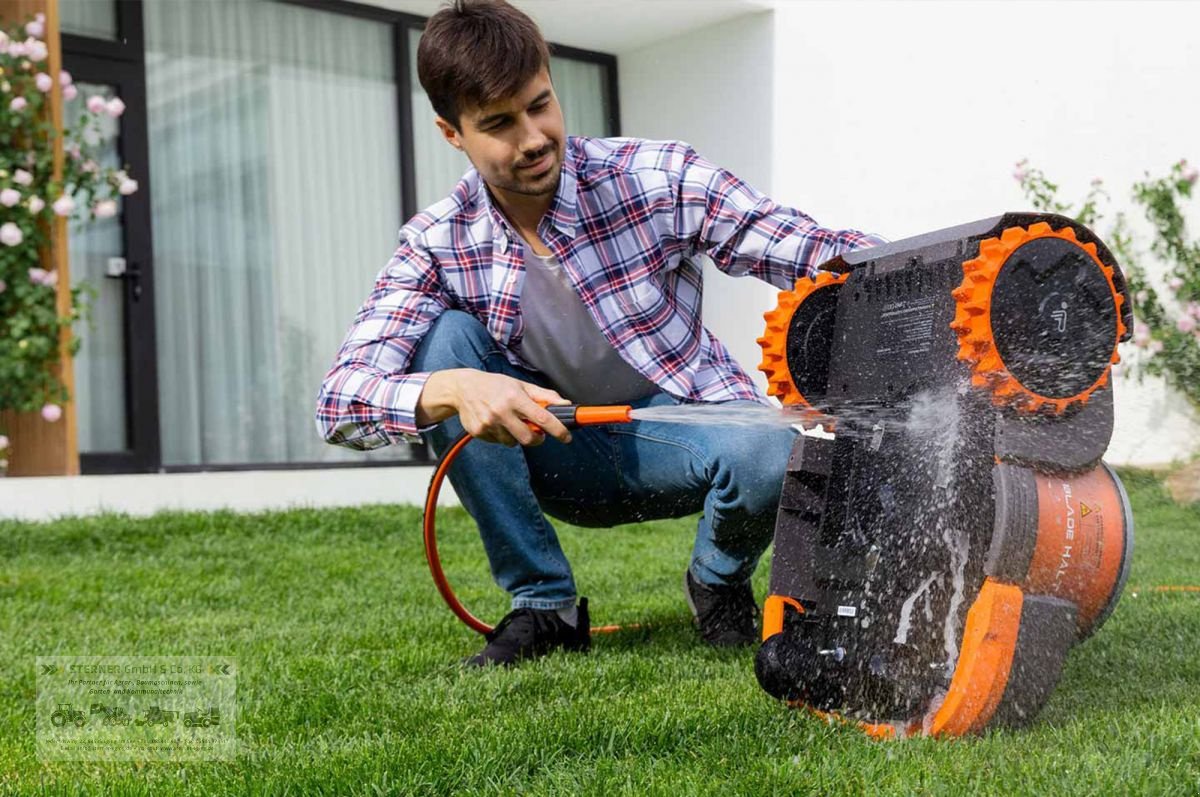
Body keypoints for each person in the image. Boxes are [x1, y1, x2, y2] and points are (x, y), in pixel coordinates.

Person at [316, 0, 885, 667]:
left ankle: (718, 581)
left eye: (539, 105)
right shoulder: (438, 243)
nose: (531, 138)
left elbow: (798, 244)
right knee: (442, 346)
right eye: (499, 123)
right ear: (452, 134)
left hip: (682, 427)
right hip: (558, 450)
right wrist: (454, 387)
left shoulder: (654, 177)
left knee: (770, 450)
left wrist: (921, 266)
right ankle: (543, 604)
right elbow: (338, 403)